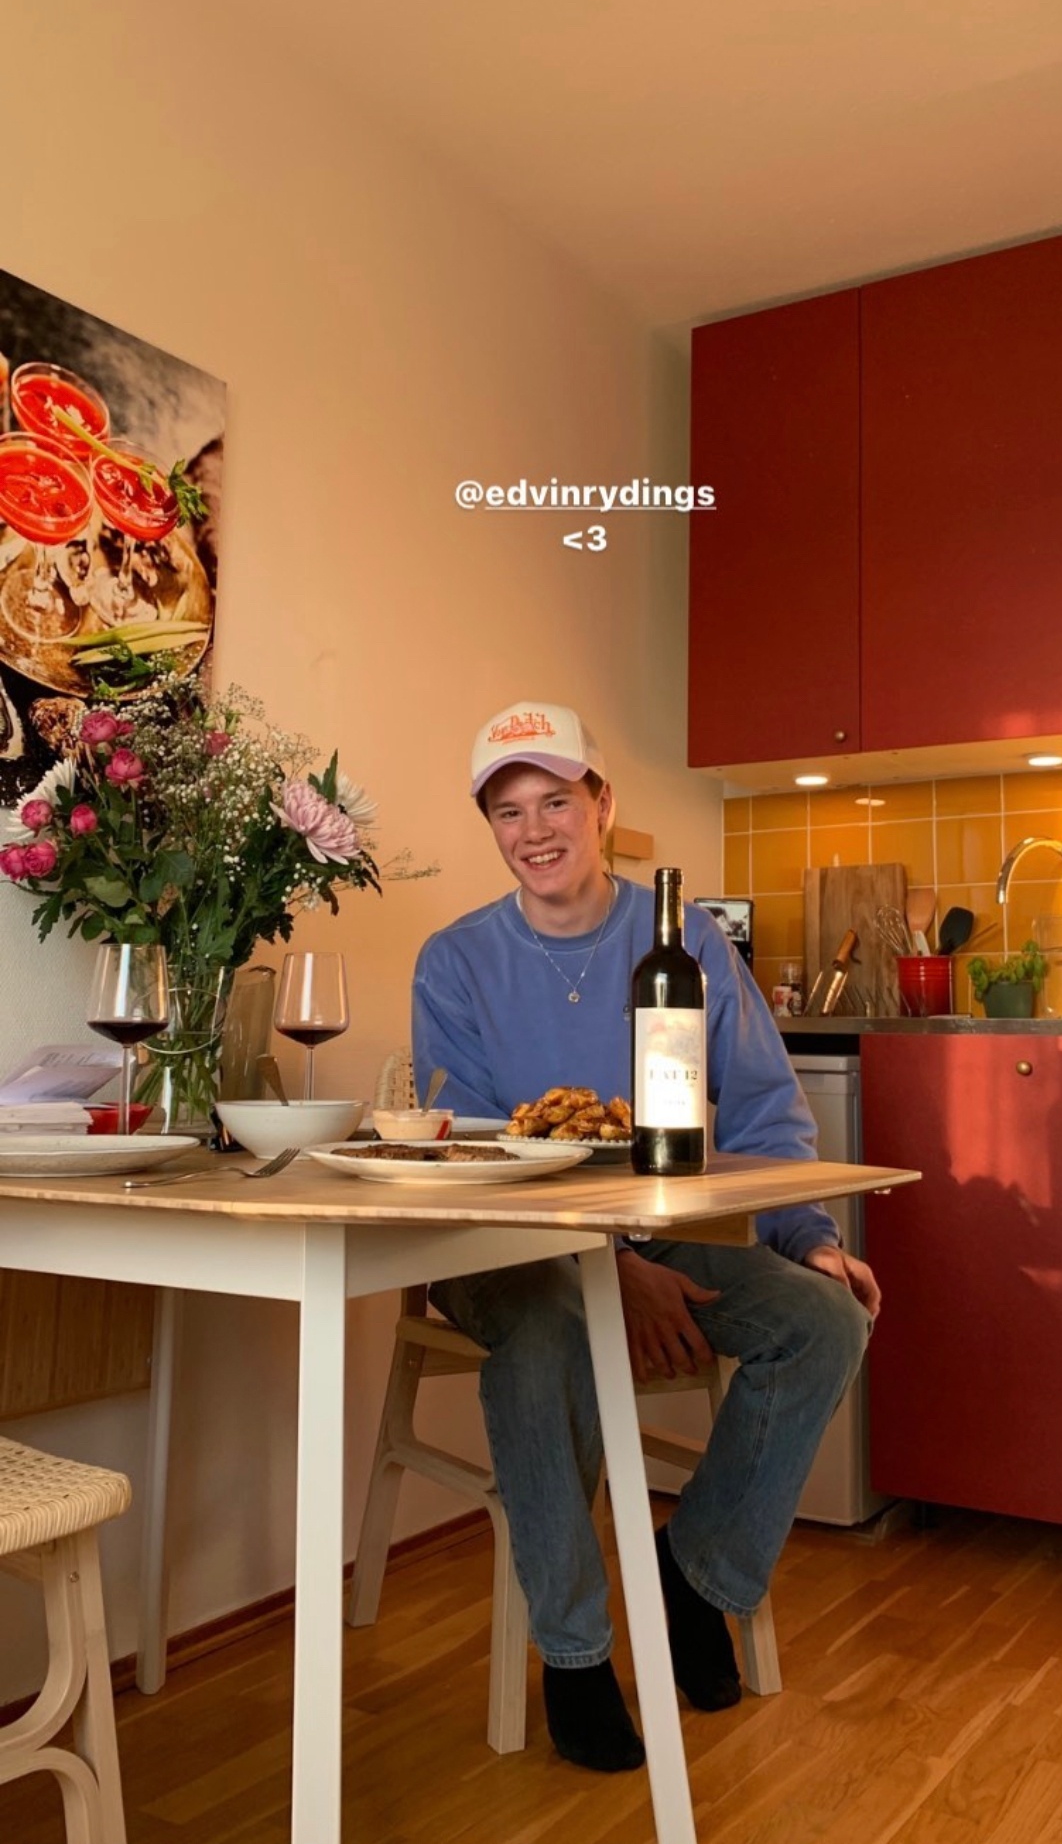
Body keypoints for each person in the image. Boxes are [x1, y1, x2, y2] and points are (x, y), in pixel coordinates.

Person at [412, 700, 880, 1774]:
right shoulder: (457, 960)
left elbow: (760, 1103)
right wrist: (605, 1267)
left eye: (555, 801)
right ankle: (574, 1652)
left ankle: (694, 1572)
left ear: (602, 803)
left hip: (658, 1230)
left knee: (824, 1319)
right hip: (500, 1246)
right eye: (509, 811)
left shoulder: (684, 939)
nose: (535, 830)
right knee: (548, 1332)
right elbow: (467, 1149)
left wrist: (810, 1238)